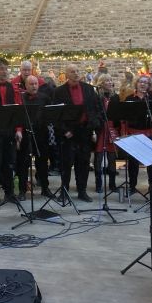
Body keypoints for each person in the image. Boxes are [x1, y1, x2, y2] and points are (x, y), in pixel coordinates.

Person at [52, 64, 102, 202]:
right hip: (68, 133)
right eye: (72, 71)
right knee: (66, 164)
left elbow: (95, 109)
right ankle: (64, 191)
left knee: (84, 163)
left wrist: (93, 127)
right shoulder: (59, 91)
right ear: (67, 75)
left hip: (84, 131)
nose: (75, 73)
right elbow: (56, 114)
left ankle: (82, 191)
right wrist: (64, 131)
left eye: (77, 71)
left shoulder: (89, 89)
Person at [0, 58, 23, 206]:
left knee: (9, 163)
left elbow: (17, 110)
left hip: (9, 130)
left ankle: (9, 193)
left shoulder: (11, 87)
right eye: (1, 69)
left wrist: (18, 130)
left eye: (6, 69)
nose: (4, 71)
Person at [123, 75, 152, 195]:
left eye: (145, 83)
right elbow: (125, 116)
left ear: (149, 85)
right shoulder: (129, 98)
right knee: (133, 162)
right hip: (134, 132)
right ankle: (132, 186)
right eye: (140, 82)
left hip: (150, 132)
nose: (142, 84)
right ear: (136, 84)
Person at [20, 75, 51, 198]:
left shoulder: (45, 98)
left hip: (41, 134)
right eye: (31, 84)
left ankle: (45, 188)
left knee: (42, 162)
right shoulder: (21, 98)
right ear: (26, 86)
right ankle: (22, 190)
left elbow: (49, 115)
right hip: (26, 134)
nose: (34, 86)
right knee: (23, 163)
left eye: (35, 84)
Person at [93, 74, 120, 193]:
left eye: (111, 80)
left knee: (112, 157)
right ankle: (98, 184)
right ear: (101, 83)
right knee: (98, 157)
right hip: (100, 129)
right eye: (107, 81)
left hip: (112, 128)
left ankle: (112, 184)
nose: (110, 82)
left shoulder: (115, 97)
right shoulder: (97, 97)